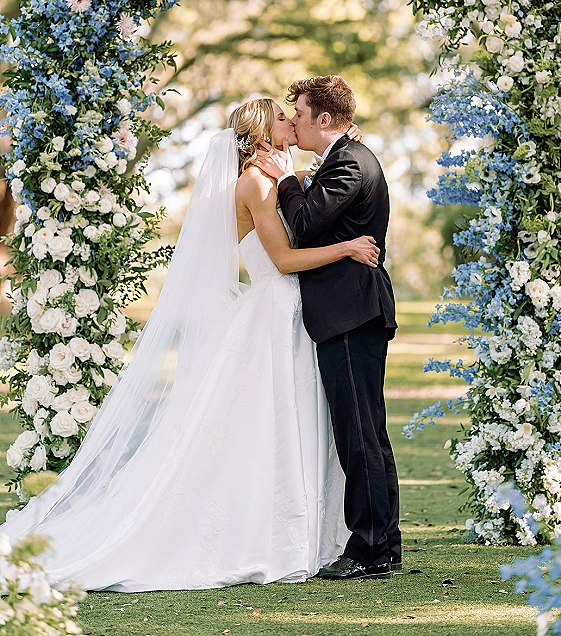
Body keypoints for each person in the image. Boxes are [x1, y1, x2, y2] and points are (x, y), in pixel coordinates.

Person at [0, 98, 380, 592]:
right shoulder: (256, 183)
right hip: (272, 307)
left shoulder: (277, 178)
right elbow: (284, 260)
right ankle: (272, 534)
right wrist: (348, 247)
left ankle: (306, 531)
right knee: (274, 424)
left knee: (295, 419)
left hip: (287, 312)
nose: (293, 123)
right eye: (284, 118)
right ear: (264, 131)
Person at [256, 75, 401, 580]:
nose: (292, 121)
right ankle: (384, 543)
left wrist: (288, 178)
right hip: (347, 311)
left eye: (298, 113)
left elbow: (303, 224)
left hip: (350, 310)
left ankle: (367, 550)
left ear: (323, 119)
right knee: (367, 431)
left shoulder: (350, 164)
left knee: (359, 433)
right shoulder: (345, 158)